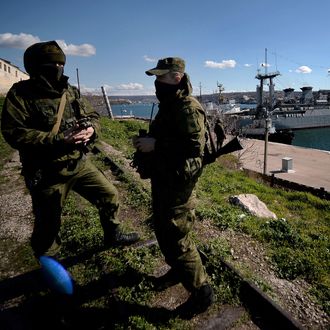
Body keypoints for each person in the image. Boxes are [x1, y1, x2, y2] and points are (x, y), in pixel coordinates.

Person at [1, 41, 139, 259]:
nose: (58, 68)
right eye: (52, 64)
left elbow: (93, 115)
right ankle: (51, 270)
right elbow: (14, 133)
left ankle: (113, 234)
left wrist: (92, 130)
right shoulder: (21, 95)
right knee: (48, 225)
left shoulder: (70, 91)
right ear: (36, 67)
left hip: (78, 163)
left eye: (60, 63)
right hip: (47, 173)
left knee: (109, 195)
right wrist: (57, 139)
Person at [133, 57, 214, 317]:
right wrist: (149, 141)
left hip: (178, 180)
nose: (157, 83)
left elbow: (193, 147)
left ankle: (202, 293)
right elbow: (171, 137)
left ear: (177, 78)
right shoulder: (171, 104)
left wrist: (156, 145)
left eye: (161, 77)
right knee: (164, 228)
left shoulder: (188, 107)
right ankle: (177, 271)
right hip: (165, 176)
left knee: (176, 236)